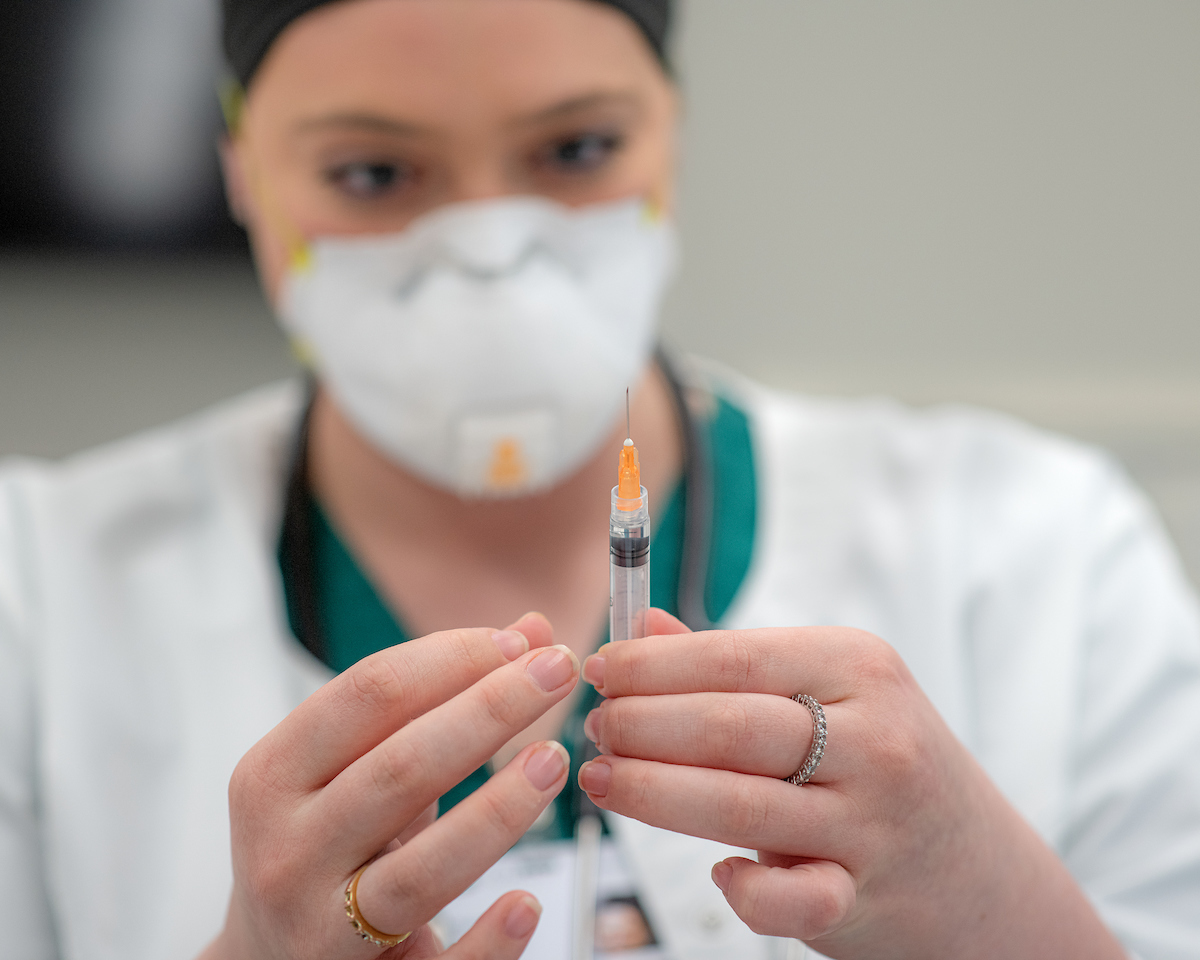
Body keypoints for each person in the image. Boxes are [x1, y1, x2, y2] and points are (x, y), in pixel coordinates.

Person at [2, 1, 1199, 958]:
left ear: (670, 132)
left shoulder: (1039, 551)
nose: (488, 253)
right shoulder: (37, 597)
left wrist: (993, 916)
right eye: (372, 173)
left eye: (575, 150)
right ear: (241, 173)